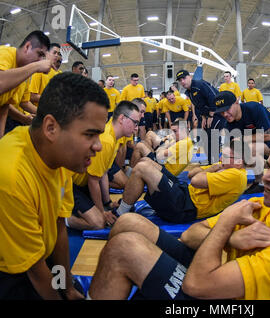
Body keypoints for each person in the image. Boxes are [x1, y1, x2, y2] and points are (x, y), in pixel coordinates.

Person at [87, 134, 270, 300]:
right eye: (269, 166)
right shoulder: (259, 205)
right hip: (212, 274)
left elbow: (197, 285)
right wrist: (231, 239)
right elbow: (191, 234)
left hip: (215, 291)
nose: (266, 177)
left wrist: (226, 222)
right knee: (129, 223)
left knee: (124, 248)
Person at [0, 72, 109, 300]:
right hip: (13, 273)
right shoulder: (11, 175)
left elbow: (59, 227)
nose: (98, 146)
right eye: (90, 134)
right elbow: (35, 269)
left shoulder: (62, 158)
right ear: (51, 127)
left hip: (39, 257)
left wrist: (66, 288)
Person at [115, 138, 249, 223]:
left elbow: (196, 180)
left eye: (226, 156)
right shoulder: (225, 166)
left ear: (239, 161)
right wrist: (218, 165)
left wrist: (216, 166)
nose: (222, 158)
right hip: (184, 192)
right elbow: (192, 174)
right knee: (146, 161)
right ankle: (127, 203)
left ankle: (119, 214)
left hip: (185, 207)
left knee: (142, 168)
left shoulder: (236, 175)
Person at [68, 100, 141, 230]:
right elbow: (93, 180)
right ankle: (64, 219)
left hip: (83, 185)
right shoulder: (106, 140)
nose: (137, 127)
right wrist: (102, 212)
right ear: (122, 118)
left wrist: (107, 203)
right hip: (71, 186)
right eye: (135, 122)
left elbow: (104, 173)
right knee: (98, 223)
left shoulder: (113, 138)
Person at [214, 91, 270, 194]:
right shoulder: (229, 124)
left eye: (227, 109)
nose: (225, 114)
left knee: (248, 148)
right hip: (259, 143)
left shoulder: (254, 108)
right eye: (222, 112)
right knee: (238, 153)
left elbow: (268, 135)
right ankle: (262, 180)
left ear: (236, 102)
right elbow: (233, 146)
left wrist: (242, 139)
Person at [0, 30, 52, 138]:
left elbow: (4, 105)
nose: (40, 60)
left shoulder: (23, 75)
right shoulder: (6, 53)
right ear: (27, 47)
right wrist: (37, 66)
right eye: (40, 54)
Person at [177, 69, 226, 165]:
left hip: (219, 112)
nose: (182, 81)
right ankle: (209, 159)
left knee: (213, 134)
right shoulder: (189, 92)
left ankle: (214, 161)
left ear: (189, 77)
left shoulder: (199, 85)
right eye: (180, 80)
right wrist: (203, 117)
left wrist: (211, 115)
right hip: (208, 114)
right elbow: (199, 106)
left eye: (184, 78)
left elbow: (213, 98)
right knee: (206, 135)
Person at [29, 43, 62, 108]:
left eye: (59, 54)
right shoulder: (39, 70)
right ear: (47, 54)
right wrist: (50, 100)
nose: (56, 55)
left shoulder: (60, 74)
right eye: (54, 53)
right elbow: (32, 96)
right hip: (40, 113)